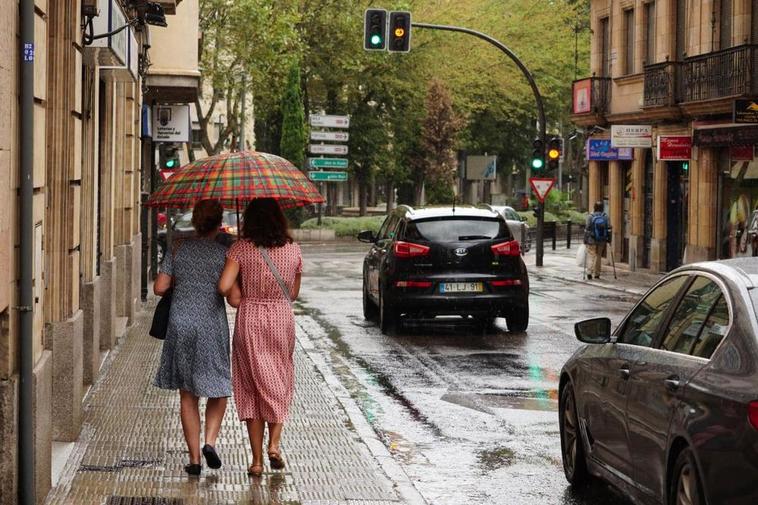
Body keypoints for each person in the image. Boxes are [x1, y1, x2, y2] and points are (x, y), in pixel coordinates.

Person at [218, 198, 303, 478]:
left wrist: (241, 286)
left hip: (250, 319)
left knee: (251, 386)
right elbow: (292, 294)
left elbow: (224, 288)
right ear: (279, 219)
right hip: (281, 319)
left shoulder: (241, 248)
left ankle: (255, 462)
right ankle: (275, 445)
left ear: (250, 220)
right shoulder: (293, 249)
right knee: (279, 379)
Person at [153, 199, 232, 476]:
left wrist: (181, 280)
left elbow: (159, 287)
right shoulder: (226, 253)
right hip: (211, 324)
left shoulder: (179, 248)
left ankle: (195, 459)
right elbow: (233, 297)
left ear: (196, 221)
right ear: (219, 222)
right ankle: (211, 441)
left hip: (181, 324)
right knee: (219, 386)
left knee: (187, 394)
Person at [584, 201, 610, 280]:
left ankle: (589, 272)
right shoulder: (605, 216)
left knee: (591, 255)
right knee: (598, 256)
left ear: (594, 207)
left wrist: (585, 240)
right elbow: (609, 228)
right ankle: (597, 273)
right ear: (602, 208)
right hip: (601, 239)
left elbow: (587, 228)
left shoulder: (590, 216)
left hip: (591, 239)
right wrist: (609, 239)